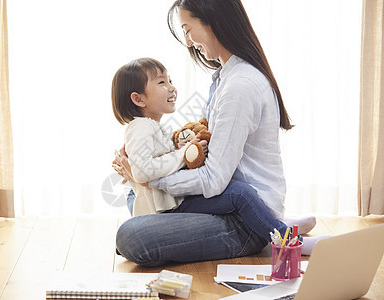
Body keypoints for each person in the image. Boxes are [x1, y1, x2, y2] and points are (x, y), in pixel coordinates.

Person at [113, 0, 324, 267]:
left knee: (130, 236)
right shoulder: (224, 77)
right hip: (223, 202)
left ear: (213, 21)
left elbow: (214, 180)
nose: (188, 42)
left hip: (238, 217)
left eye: (188, 30)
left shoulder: (240, 86)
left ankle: (272, 229)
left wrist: (148, 180)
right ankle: (273, 223)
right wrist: (152, 154)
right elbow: (208, 142)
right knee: (133, 198)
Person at [111, 57, 209, 216]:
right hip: (160, 214)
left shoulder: (152, 126)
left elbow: (161, 159)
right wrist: (184, 154)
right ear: (138, 99)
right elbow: (142, 171)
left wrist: (182, 148)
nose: (172, 88)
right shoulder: (140, 127)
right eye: (162, 82)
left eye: (170, 81)